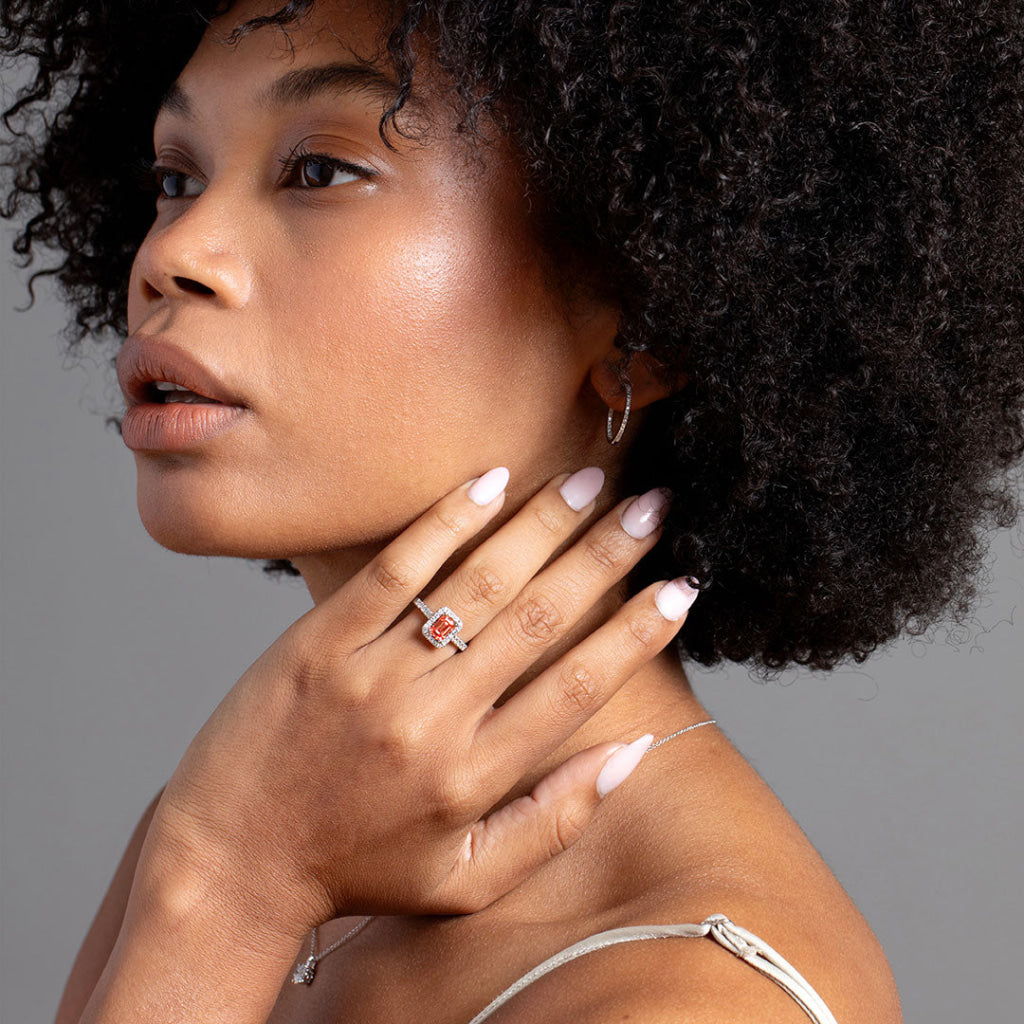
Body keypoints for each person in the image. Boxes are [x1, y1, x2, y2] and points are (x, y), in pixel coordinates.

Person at [3, 1, 1022, 1021]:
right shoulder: (248, 815)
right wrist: (236, 873)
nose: (171, 254)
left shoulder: (690, 1002)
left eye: (319, 170)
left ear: (639, 320)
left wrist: (231, 898)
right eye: (176, 178)